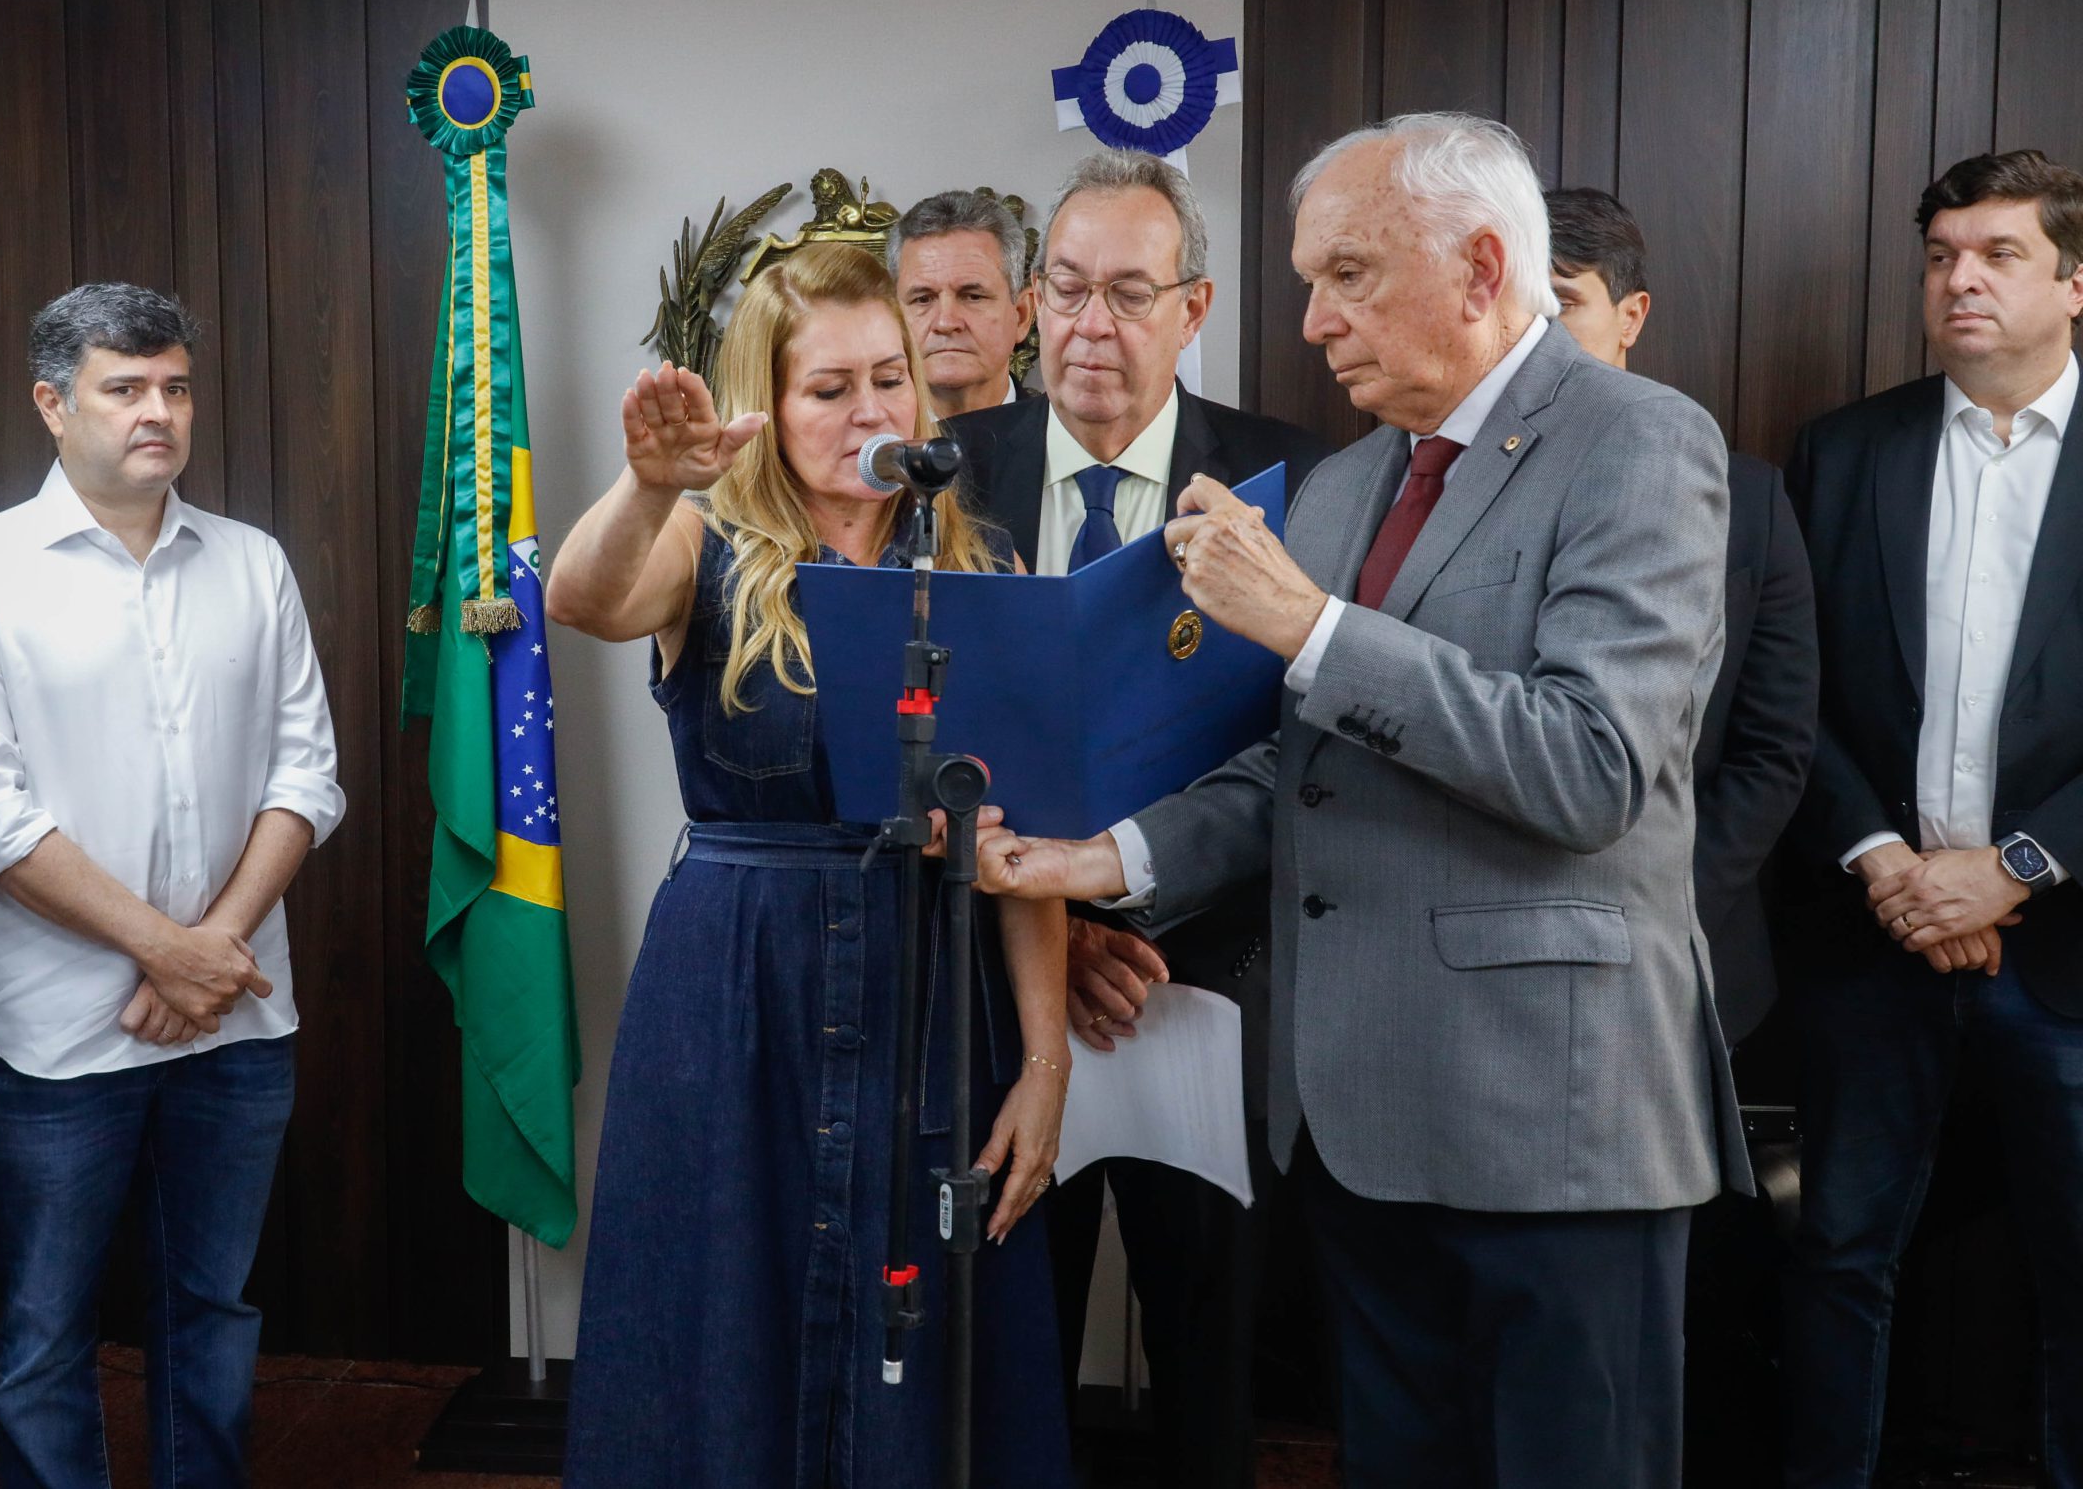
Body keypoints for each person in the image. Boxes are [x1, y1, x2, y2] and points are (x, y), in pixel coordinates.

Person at [972, 112, 1751, 1488]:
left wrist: (1312, 624)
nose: (1315, 318)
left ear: (1479, 264)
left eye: (1348, 274)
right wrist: (1097, 860)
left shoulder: (1640, 441)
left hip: (1557, 1125)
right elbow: (1298, 773)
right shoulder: (1342, 485)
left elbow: (1590, 765)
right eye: (1307, 279)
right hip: (1361, 1125)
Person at [545, 242, 1072, 1487]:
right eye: (828, 388)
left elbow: (1022, 844)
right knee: (730, 1302)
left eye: (889, 378)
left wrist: (1043, 1062)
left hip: (930, 989)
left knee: (928, 1330)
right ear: (769, 410)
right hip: (739, 986)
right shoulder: (701, 543)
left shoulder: (975, 571)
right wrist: (643, 487)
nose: (870, 411)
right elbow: (582, 598)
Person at [0, 283, 343, 1489]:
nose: (159, 411)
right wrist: (169, 949)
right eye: (126, 387)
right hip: (59, 1030)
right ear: (52, 403)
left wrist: (208, 949)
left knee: (212, 1307)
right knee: (47, 1329)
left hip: (238, 1015)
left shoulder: (251, 563)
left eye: (177, 387)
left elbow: (308, 773)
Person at [947, 147, 1326, 1487]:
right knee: (1004, 1356)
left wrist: (1131, 904)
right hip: (996, 997)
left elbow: (1307, 751)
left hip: (1202, 979)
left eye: (1127, 292)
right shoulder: (944, 471)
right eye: (1064, 290)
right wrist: (1054, 922)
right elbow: (904, 738)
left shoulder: (1293, 480)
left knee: (1209, 1358)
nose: (1089, 328)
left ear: (1196, 304)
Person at [1777, 149, 2083, 1489]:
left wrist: (2012, 870)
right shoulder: (1846, 451)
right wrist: (1891, 861)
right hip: (1874, 936)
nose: (1960, 279)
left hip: (2065, 952)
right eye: (1942, 254)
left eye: (1999, 253)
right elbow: (1792, 693)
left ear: (2076, 281)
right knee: (1839, 1254)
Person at [1546, 186, 1816, 1047]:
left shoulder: (1749, 495)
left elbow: (1772, 748)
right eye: (1517, 307)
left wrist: (1655, 897)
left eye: (1563, 303)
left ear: (1632, 316)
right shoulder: (1440, 485)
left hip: (1685, 944)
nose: (1535, 334)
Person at [889, 189, 1036, 416]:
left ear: (1022, 315)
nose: (946, 323)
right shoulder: (860, 447)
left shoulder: (1070, 444)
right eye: (923, 299)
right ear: (893, 320)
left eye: (972, 296)